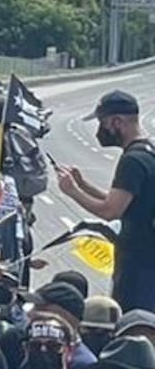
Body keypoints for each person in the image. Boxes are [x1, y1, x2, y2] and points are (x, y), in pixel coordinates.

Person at [59, 90, 155, 310]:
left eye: (102, 123)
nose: (100, 130)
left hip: (140, 264)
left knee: (134, 322)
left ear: (117, 122)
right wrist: (84, 185)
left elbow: (110, 210)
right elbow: (127, 203)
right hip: (149, 257)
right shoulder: (148, 151)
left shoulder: (132, 160)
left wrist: (72, 191)